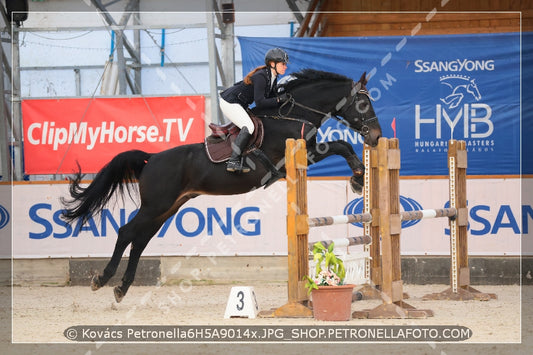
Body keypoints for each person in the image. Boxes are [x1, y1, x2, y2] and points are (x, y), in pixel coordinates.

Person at [219, 47, 289, 173]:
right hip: (229, 102)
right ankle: (233, 161)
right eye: (283, 64)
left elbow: (272, 99)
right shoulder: (261, 76)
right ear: (272, 64)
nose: (285, 67)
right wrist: (279, 100)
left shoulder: (272, 77)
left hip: (239, 103)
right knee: (249, 126)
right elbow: (260, 102)